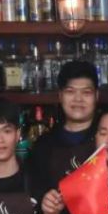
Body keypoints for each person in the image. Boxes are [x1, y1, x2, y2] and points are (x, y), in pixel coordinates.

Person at [25, 59, 100, 199]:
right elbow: (33, 193)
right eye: (70, 91)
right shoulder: (43, 145)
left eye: (86, 92)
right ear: (60, 96)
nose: (78, 99)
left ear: (96, 96)